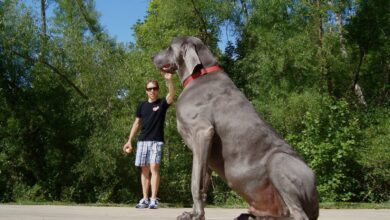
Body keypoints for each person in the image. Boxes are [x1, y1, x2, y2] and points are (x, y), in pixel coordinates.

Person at [123, 72, 174, 209]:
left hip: (156, 141)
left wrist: (169, 81)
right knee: (144, 171)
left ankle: (153, 199)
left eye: (155, 88)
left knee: (154, 168)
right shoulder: (142, 105)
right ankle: (145, 199)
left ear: (157, 90)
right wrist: (129, 140)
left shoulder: (162, 103)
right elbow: (136, 123)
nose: (152, 91)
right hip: (142, 141)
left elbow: (171, 95)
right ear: (146, 91)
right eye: (150, 88)